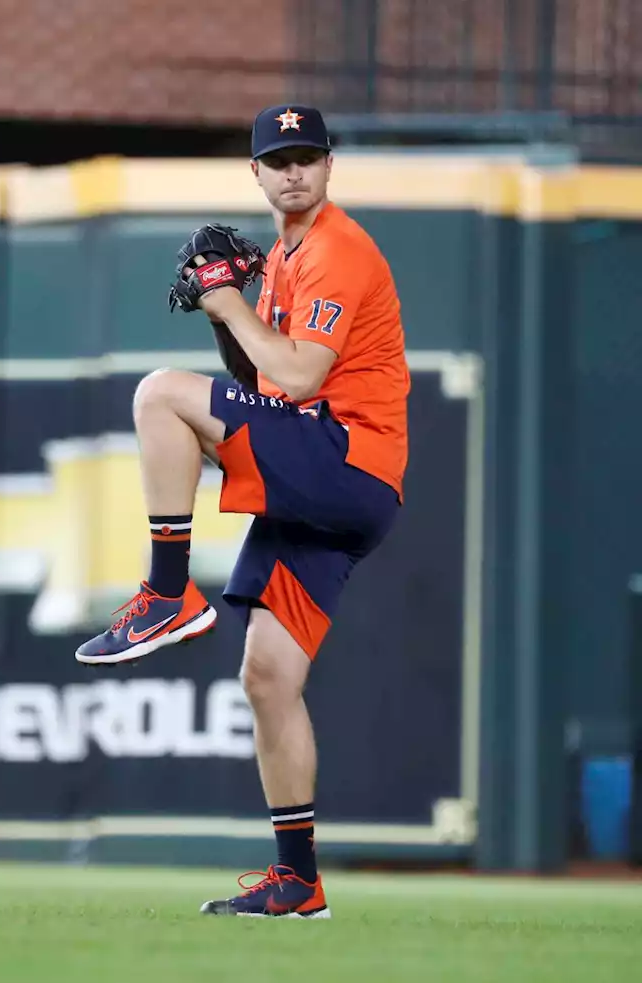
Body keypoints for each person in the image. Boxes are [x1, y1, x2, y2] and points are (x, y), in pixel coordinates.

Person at [76, 105, 409, 918]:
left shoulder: (335, 249)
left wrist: (227, 302)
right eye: (278, 158)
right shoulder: (288, 263)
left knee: (160, 393)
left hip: (347, 460)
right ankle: (299, 880)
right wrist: (228, 309)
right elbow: (264, 385)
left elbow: (294, 383)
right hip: (331, 479)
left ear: (329, 167)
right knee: (267, 677)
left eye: (307, 157)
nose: (293, 171)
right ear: (254, 175)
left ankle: (167, 593)